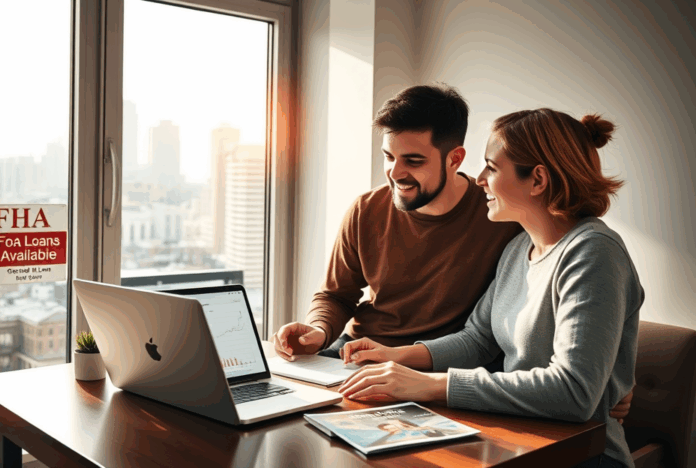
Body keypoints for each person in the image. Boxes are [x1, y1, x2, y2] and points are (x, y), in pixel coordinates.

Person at [337, 109, 644, 468]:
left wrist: (433, 385)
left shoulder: (593, 253)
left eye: (492, 168)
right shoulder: (519, 248)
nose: (480, 179)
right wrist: (396, 356)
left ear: (538, 180)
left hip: (582, 454)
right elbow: (478, 339)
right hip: (517, 438)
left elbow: (574, 393)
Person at [273, 84, 522, 365]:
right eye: (389, 156)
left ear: (455, 159)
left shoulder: (499, 216)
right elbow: (335, 295)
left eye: (413, 161)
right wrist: (318, 330)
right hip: (356, 352)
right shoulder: (365, 210)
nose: (395, 172)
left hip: (435, 364)